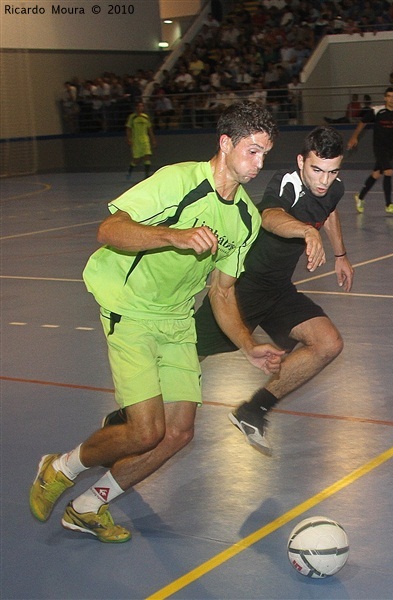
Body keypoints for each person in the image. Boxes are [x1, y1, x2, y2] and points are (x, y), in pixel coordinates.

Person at [29, 101, 283, 542]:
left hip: (177, 319)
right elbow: (109, 230)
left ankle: (88, 507)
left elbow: (222, 292)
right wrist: (173, 235)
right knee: (147, 431)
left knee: (178, 433)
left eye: (265, 154)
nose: (260, 164)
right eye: (253, 151)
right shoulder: (178, 181)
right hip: (129, 307)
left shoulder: (244, 219)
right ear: (225, 144)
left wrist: (247, 344)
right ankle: (61, 468)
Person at [103, 126, 354, 455]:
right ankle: (125, 419)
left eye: (332, 172)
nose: (323, 181)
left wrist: (340, 255)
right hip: (243, 287)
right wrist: (306, 232)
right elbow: (269, 216)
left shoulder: (333, 188)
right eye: (316, 170)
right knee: (190, 358)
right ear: (300, 162)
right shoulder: (287, 183)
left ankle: (253, 411)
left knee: (327, 343)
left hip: (277, 289)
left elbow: (330, 211)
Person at [347, 87, 393, 215]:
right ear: (385, 98)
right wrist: (354, 137)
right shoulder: (377, 111)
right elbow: (362, 122)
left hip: (392, 148)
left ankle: (360, 197)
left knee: (377, 173)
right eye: (389, 96)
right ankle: (389, 204)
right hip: (379, 147)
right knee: (388, 171)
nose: (391, 99)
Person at [125, 101, 156, 179]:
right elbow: (128, 129)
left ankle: (146, 175)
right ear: (136, 108)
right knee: (136, 159)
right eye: (139, 106)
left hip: (145, 139)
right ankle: (129, 171)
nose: (140, 108)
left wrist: (153, 139)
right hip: (136, 140)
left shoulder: (145, 117)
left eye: (142, 106)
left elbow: (149, 129)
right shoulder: (132, 117)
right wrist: (129, 139)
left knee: (147, 156)